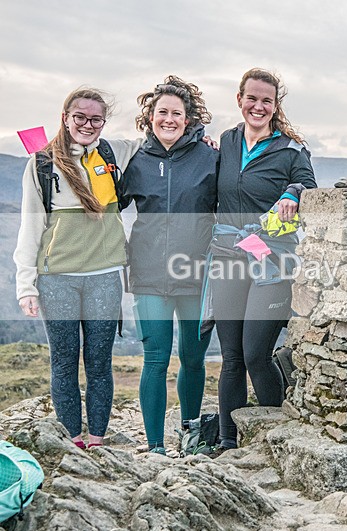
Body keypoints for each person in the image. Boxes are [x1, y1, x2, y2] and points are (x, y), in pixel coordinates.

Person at [14, 88, 141, 449]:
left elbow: (159, 137)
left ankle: (97, 440)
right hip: (57, 280)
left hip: (104, 277)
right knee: (65, 361)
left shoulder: (113, 152)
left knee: (100, 362)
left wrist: (202, 139)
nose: (87, 124)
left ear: (103, 122)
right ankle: (73, 440)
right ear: (66, 117)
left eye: (95, 119)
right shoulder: (40, 164)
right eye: (80, 117)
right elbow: (30, 227)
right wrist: (26, 285)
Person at [211, 68, 316, 454]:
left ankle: (278, 436)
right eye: (251, 98)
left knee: (256, 354)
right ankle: (227, 442)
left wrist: (292, 191)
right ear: (240, 99)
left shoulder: (290, 149)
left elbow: (309, 182)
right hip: (228, 256)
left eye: (266, 100)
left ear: (275, 106)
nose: (258, 106)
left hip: (272, 257)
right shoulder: (226, 141)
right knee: (231, 357)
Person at [121, 76, 218, 455]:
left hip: (196, 275)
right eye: (162, 112)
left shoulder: (210, 157)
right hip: (147, 275)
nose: (169, 119)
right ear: (150, 116)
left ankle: (191, 438)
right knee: (156, 359)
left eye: (177, 113)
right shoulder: (135, 160)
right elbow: (105, 205)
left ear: (189, 118)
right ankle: (156, 446)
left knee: (193, 360)